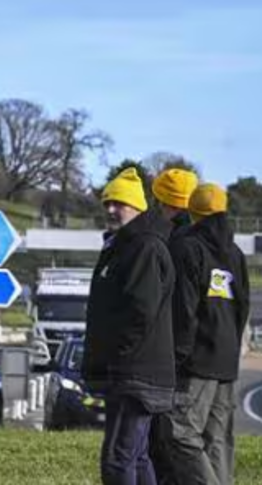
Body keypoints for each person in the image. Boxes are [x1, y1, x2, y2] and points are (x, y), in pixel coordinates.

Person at [83, 167, 176, 485]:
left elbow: (141, 311)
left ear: (137, 206)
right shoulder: (123, 246)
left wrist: (118, 356)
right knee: (136, 456)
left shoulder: (144, 248)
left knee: (118, 458)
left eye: (118, 203)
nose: (110, 209)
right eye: (106, 203)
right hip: (132, 370)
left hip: (136, 371)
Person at [164, 183, 250, 485]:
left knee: (180, 430)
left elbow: (184, 310)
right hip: (226, 358)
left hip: (196, 359)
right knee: (217, 439)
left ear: (193, 211)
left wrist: (177, 356)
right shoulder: (236, 253)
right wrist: (232, 345)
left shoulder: (188, 247)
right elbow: (243, 306)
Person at [147, 167, 198, 482]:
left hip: (171, 354)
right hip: (207, 356)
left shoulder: (167, 243)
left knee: (164, 439)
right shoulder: (209, 243)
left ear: (160, 200)